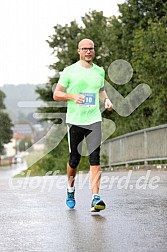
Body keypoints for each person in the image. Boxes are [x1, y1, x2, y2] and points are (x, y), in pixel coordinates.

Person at [53, 38, 113, 212]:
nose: (88, 51)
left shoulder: (99, 71)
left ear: (94, 51)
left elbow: (100, 90)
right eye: (85, 49)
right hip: (75, 121)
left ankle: (95, 198)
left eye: (91, 49)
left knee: (95, 158)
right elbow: (57, 94)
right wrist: (72, 97)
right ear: (78, 51)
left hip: (94, 119)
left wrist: (107, 100)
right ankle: (70, 190)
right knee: (74, 160)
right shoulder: (69, 71)